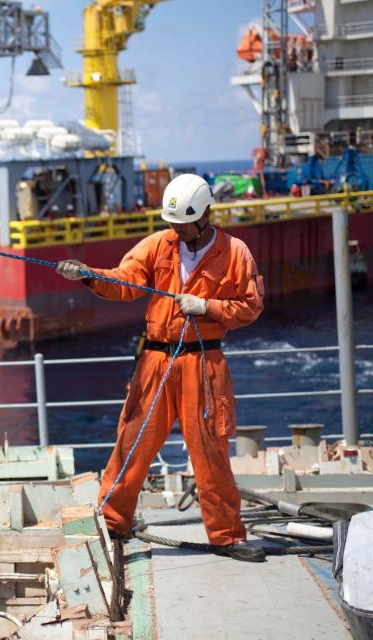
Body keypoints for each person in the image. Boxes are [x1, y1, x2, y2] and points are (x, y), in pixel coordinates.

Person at [55, 173, 266, 562]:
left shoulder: (235, 253)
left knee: (210, 451)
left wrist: (208, 307)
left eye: (182, 224)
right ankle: (114, 524)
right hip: (154, 361)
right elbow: (126, 282)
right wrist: (88, 275)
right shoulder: (158, 245)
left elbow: (251, 306)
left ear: (204, 216)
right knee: (132, 443)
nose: (175, 230)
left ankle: (227, 536)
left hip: (203, 364)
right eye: (171, 223)